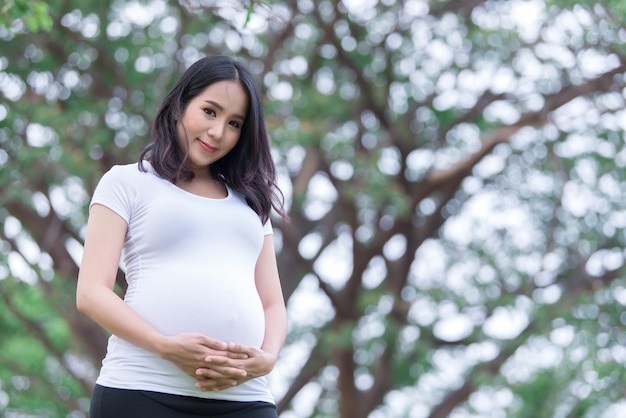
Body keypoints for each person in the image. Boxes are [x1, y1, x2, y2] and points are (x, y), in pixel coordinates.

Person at [76, 55, 289, 418]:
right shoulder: (127, 182)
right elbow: (91, 293)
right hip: (142, 390)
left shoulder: (251, 202)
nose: (218, 132)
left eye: (234, 122)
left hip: (245, 399)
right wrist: (165, 346)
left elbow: (272, 303)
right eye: (210, 111)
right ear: (179, 104)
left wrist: (267, 360)